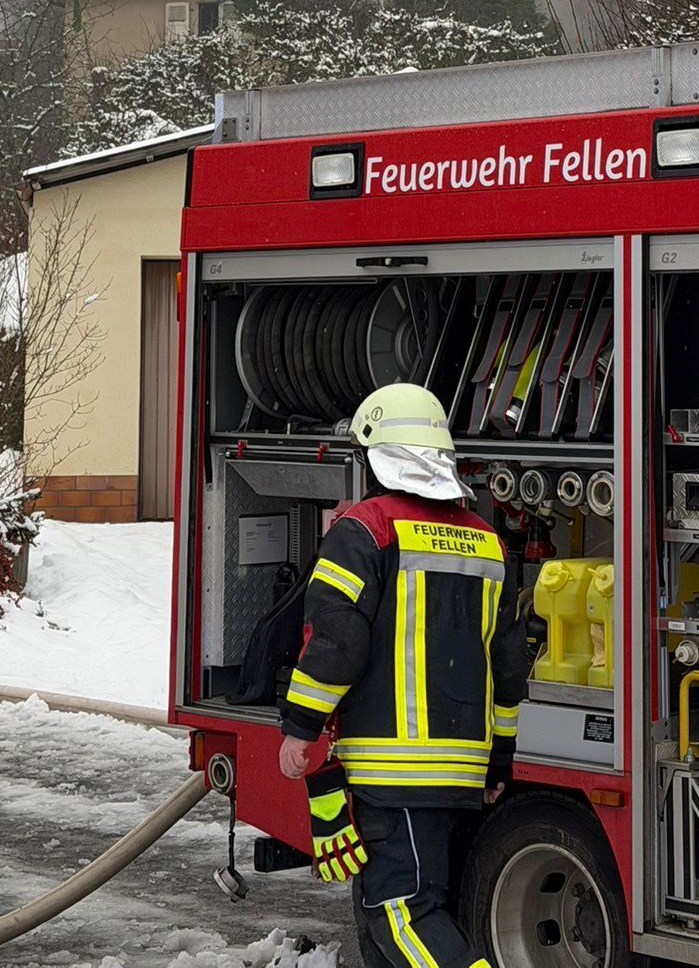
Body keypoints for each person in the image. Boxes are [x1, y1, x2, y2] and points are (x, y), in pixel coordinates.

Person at [278, 381, 528, 968]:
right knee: (389, 921)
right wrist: (499, 760)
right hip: (462, 771)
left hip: (393, 771)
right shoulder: (487, 540)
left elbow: (336, 642)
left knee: (400, 914)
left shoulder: (364, 530)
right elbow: (508, 668)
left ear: (374, 457)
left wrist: (300, 726)